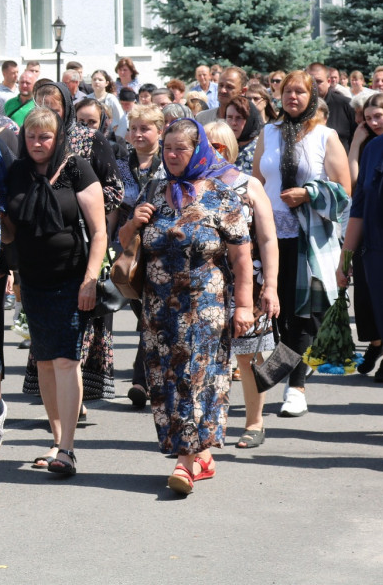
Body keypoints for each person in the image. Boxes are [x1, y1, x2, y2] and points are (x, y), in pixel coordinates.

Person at [119, 118, 253, 494]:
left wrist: (244, 307)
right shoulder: (154, 189)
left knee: (196, 378)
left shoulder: (221, 194)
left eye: (181, 148)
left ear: (199, 150)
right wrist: (134, 223)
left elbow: (242, 259)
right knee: (165, 382)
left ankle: (185, 461)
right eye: (167, 148)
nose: (173, 155)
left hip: (204, 308)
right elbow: (126, 243)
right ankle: (201, 455)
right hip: (158, 309)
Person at [4, 108, 106, 476]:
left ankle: (67, 448)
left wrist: (90, 279)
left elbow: (99, 231)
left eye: (45, 136)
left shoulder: (77, 167)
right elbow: (9, 228)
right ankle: (57, 437)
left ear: (57, 137)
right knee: (44, 360)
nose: (37, 143)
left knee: (65, 360)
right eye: (31, 136)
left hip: (71, 279)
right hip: (33, 280)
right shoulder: (17, 172)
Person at [252, 71, 351, 418]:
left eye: (300, 91)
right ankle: (282, 374)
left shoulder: (325, 136)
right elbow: (257, 180)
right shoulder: (269, 132)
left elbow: (344, 191)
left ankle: (293, 386)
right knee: (277, 312)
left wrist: (309, 193)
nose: (292, 97)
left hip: (310, 238)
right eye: (287, 91)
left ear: (311, 96)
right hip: (270, 235)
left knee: (303, 314)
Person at [202, 121, 281, 450]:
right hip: (204, 285)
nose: (212, 153)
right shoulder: (190, 185)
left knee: (248, 357)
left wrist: (271, 286)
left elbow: (267, 238)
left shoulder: (248, 185)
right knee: (205, 357)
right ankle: (206, 427)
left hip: (246, 281)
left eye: (219, 147)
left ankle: (254, 422)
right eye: (206, 146)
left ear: (231, 149)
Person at [114, 104, 165, 408]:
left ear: (159, 130)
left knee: (151, 315)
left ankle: (140, 380)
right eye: (133, 128)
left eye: (145, 128)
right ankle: (149, 374)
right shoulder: (120, 165)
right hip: (129, 246)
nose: (138, 134)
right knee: (144, 311)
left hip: (161, 246)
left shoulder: (168, 163)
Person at [346, 91, 383, 379]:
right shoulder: (374, 149)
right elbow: (358, 206)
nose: (373, 121)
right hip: (377, 255)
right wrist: (344, 258)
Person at [308, 62, 356, 151]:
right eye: (310, 81)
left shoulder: (346, 105)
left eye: (318, 81)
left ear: (329, 82)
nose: (313, 86)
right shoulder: (296, 107)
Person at [224, 96, 263, 174]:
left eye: (239, 118)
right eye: (229, 117)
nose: (233, 123)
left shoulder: (260, 149)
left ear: (249, 120)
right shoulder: (221, 147)